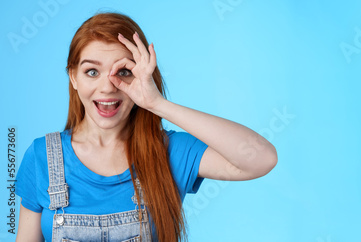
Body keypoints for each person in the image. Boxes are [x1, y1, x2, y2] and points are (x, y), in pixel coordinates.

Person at [15, 12, 277, 242]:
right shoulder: (41, 157)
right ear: (73, 76)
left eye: (124, 72)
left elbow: (261, 158)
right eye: (92, 72)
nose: (107, 87)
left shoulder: (169, 152)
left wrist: (157, 104)